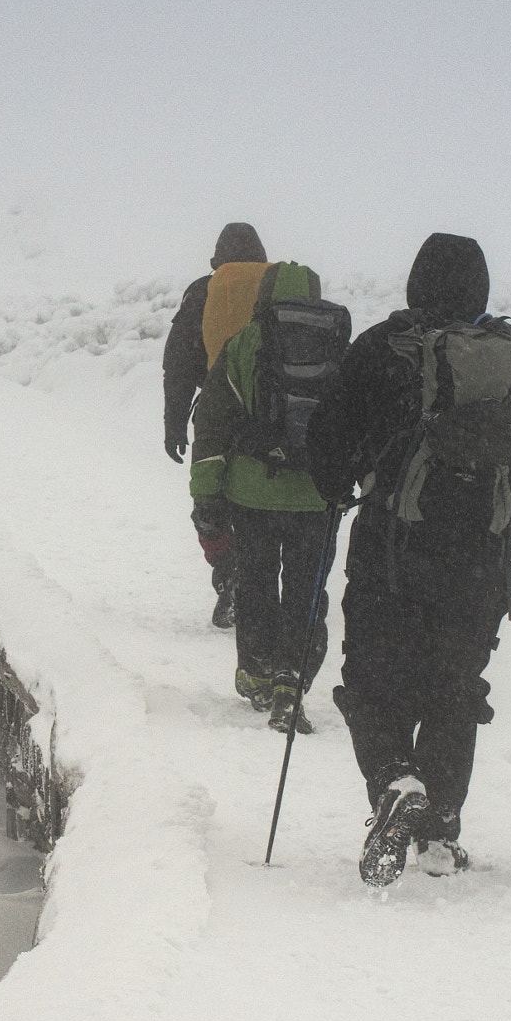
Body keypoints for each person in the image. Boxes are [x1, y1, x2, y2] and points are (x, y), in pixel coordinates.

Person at [307, 233, 511, 883]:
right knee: (455, 689)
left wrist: (335, 487)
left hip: (391, 552)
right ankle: (439, 833)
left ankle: (396, 783)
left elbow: (327, 436)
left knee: (372, 681)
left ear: (415, 283)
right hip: (480, 560)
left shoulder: (381, 347)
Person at [189, 260, 336, 732]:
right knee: (305, 589)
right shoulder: (336, 347)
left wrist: (207, 497)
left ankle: (256, 674)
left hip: (252, 494)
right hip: (316, 496)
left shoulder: (243, 345)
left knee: (255, 583)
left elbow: (211, 427)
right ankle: (292, 679)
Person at [163, 223, 270, 628]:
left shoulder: (204, 292)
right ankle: (264, 589)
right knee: (263, 507)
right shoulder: (277, 290)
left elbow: (178, 365)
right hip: (272, 420)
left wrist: (174, 424)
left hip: (217, 421)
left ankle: (229, 575)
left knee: (211, 506)